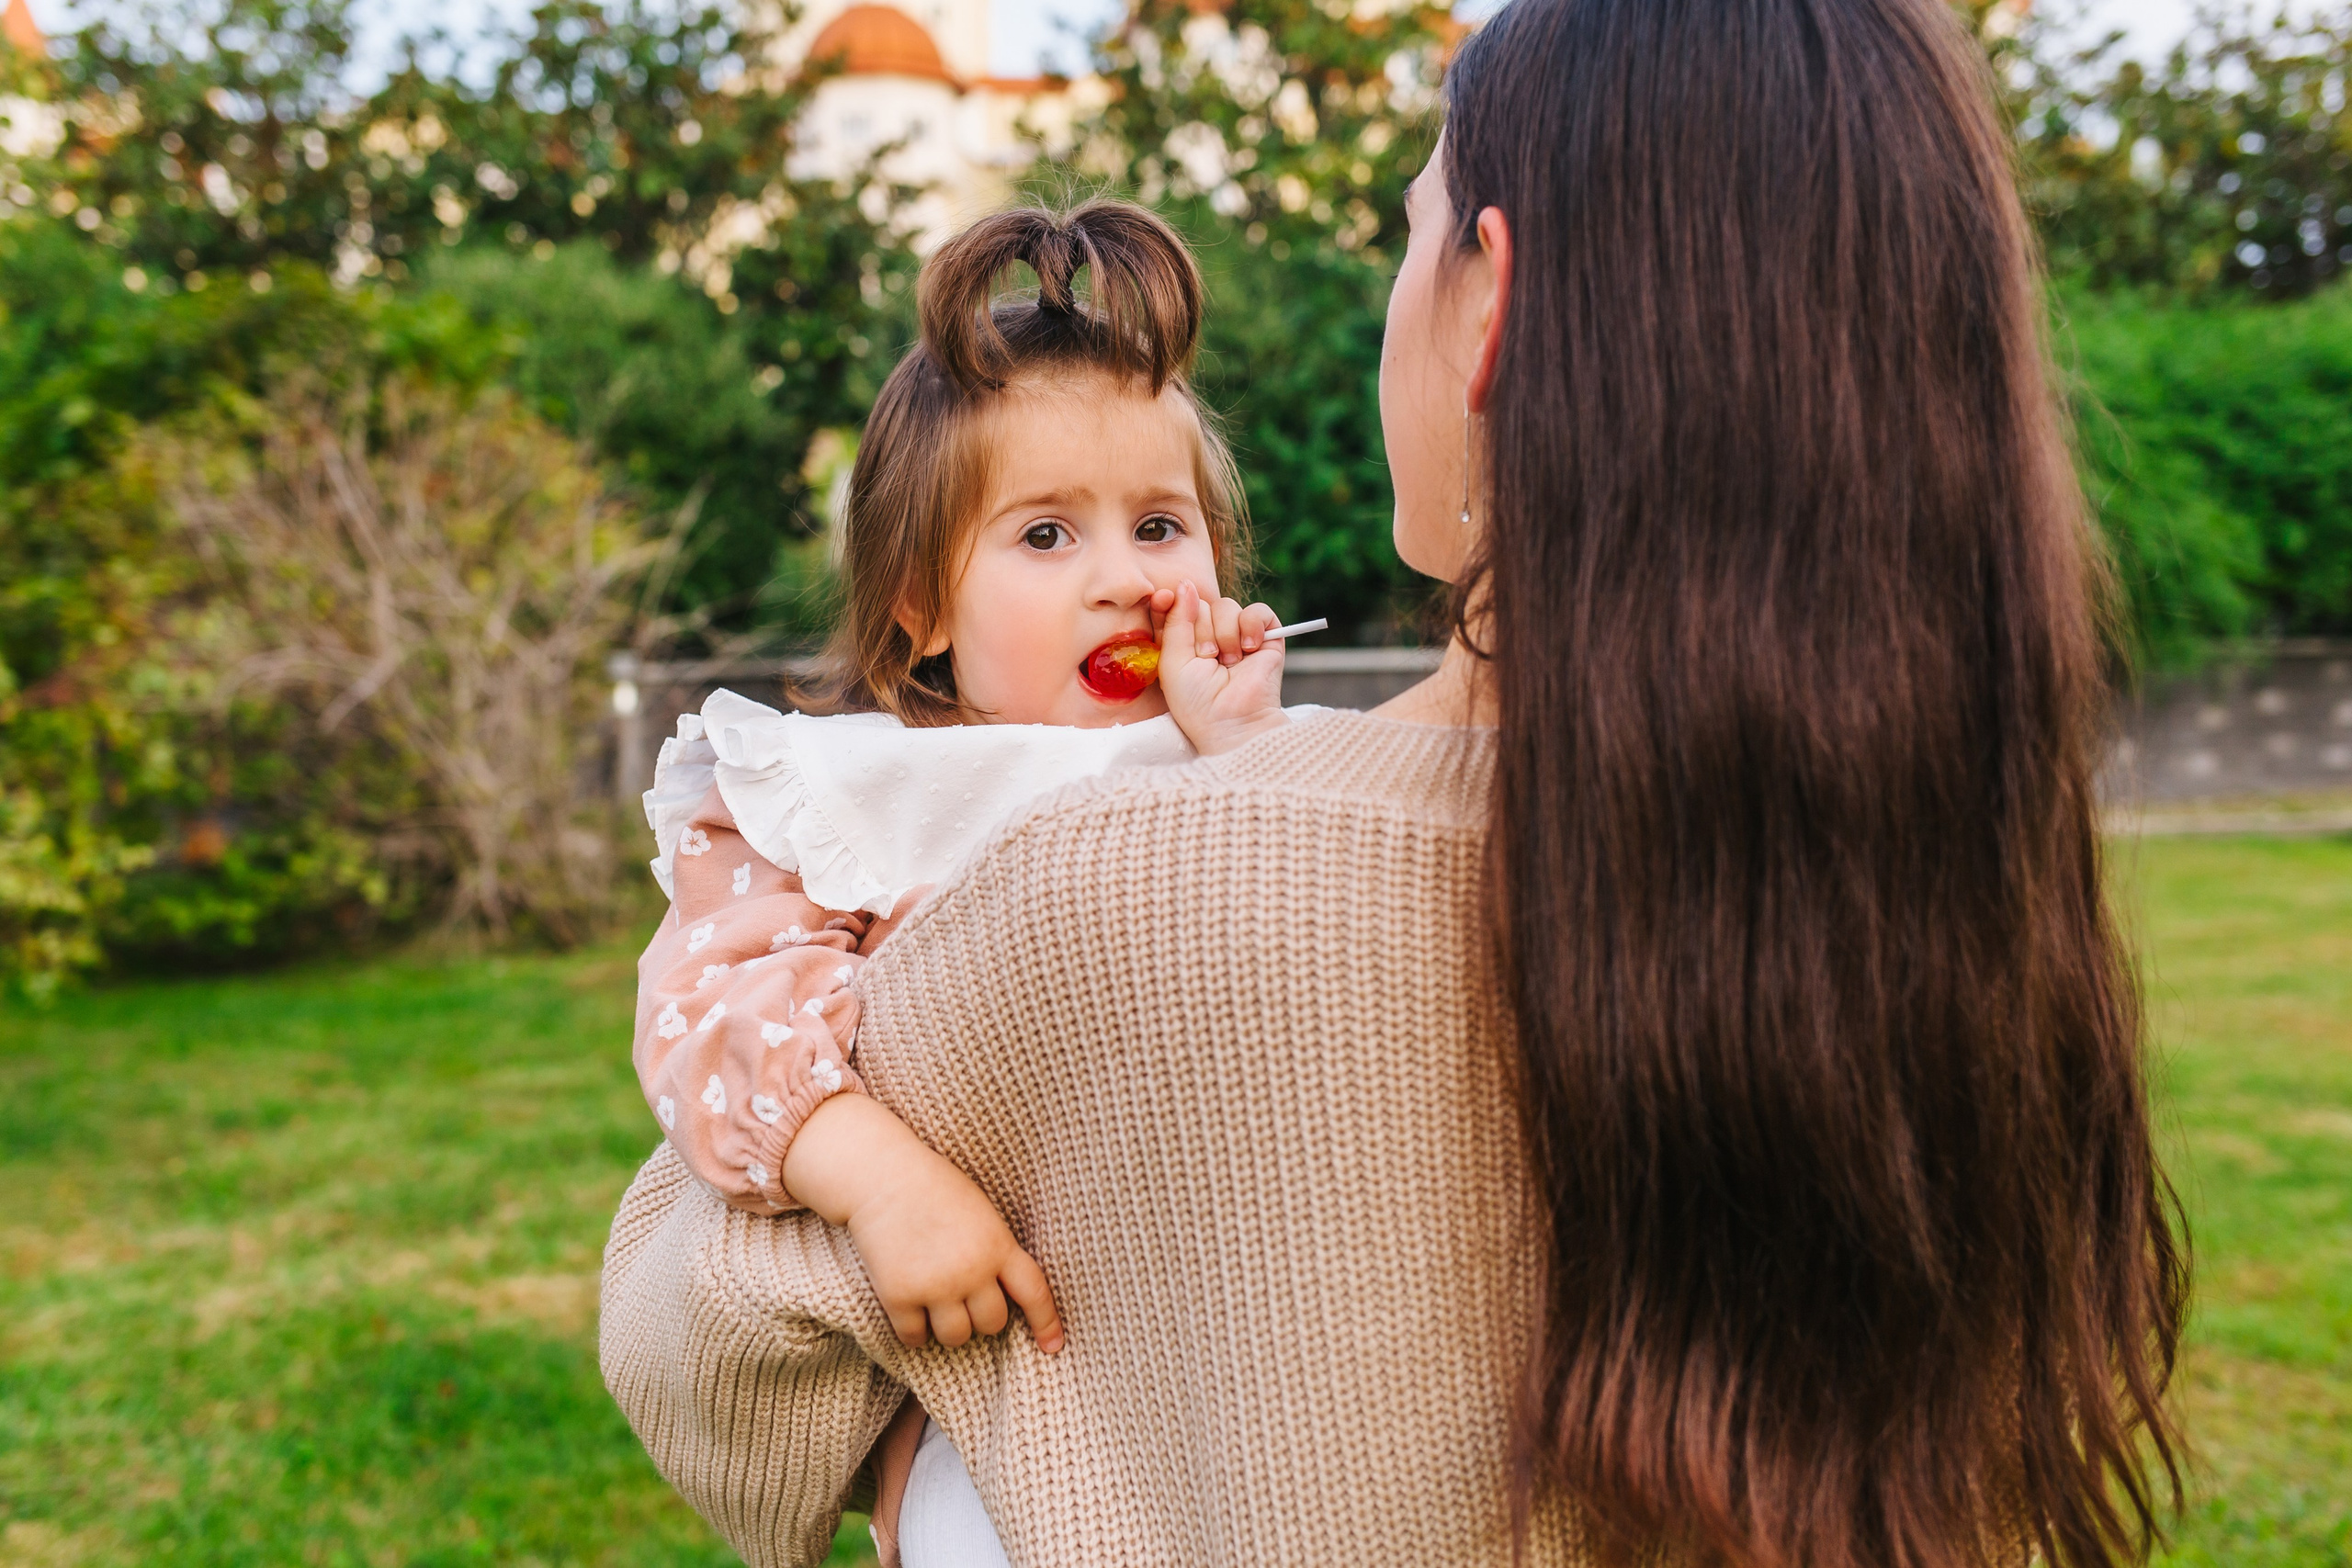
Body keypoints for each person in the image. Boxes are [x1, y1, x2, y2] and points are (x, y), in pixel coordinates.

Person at [603, 0, 2188, 1564]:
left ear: (1487, 300)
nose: (1125, 580)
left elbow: (707, 1351)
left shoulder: (1117, 887)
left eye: (1416, 230)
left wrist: (910, 1477)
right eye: (1043, 534)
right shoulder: (1924, 897)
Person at [628, 197, 1317, 1566]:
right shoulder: (853, 801)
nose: (1126, 580)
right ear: (920, 607)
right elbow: (711, 1020)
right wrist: (878, 1181)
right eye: (1047, 537)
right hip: (995, 1386)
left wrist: (1237, 755)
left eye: (1163, 528)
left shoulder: (1229, 773)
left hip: (1231, 1356)